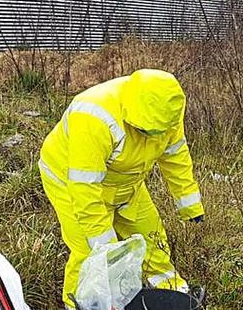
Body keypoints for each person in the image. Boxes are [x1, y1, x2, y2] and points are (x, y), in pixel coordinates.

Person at [38, 69, 205, 309]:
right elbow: (85, 188)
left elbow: (175, 155)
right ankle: (80, 304)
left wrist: (190, 205)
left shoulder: (167, 112)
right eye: (145, 132)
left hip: (127, 181)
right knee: (89, 253)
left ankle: (174, 292)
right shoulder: (93, 116)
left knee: (152, 236)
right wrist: (105, 246)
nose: (153, 137)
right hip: (71, 180)